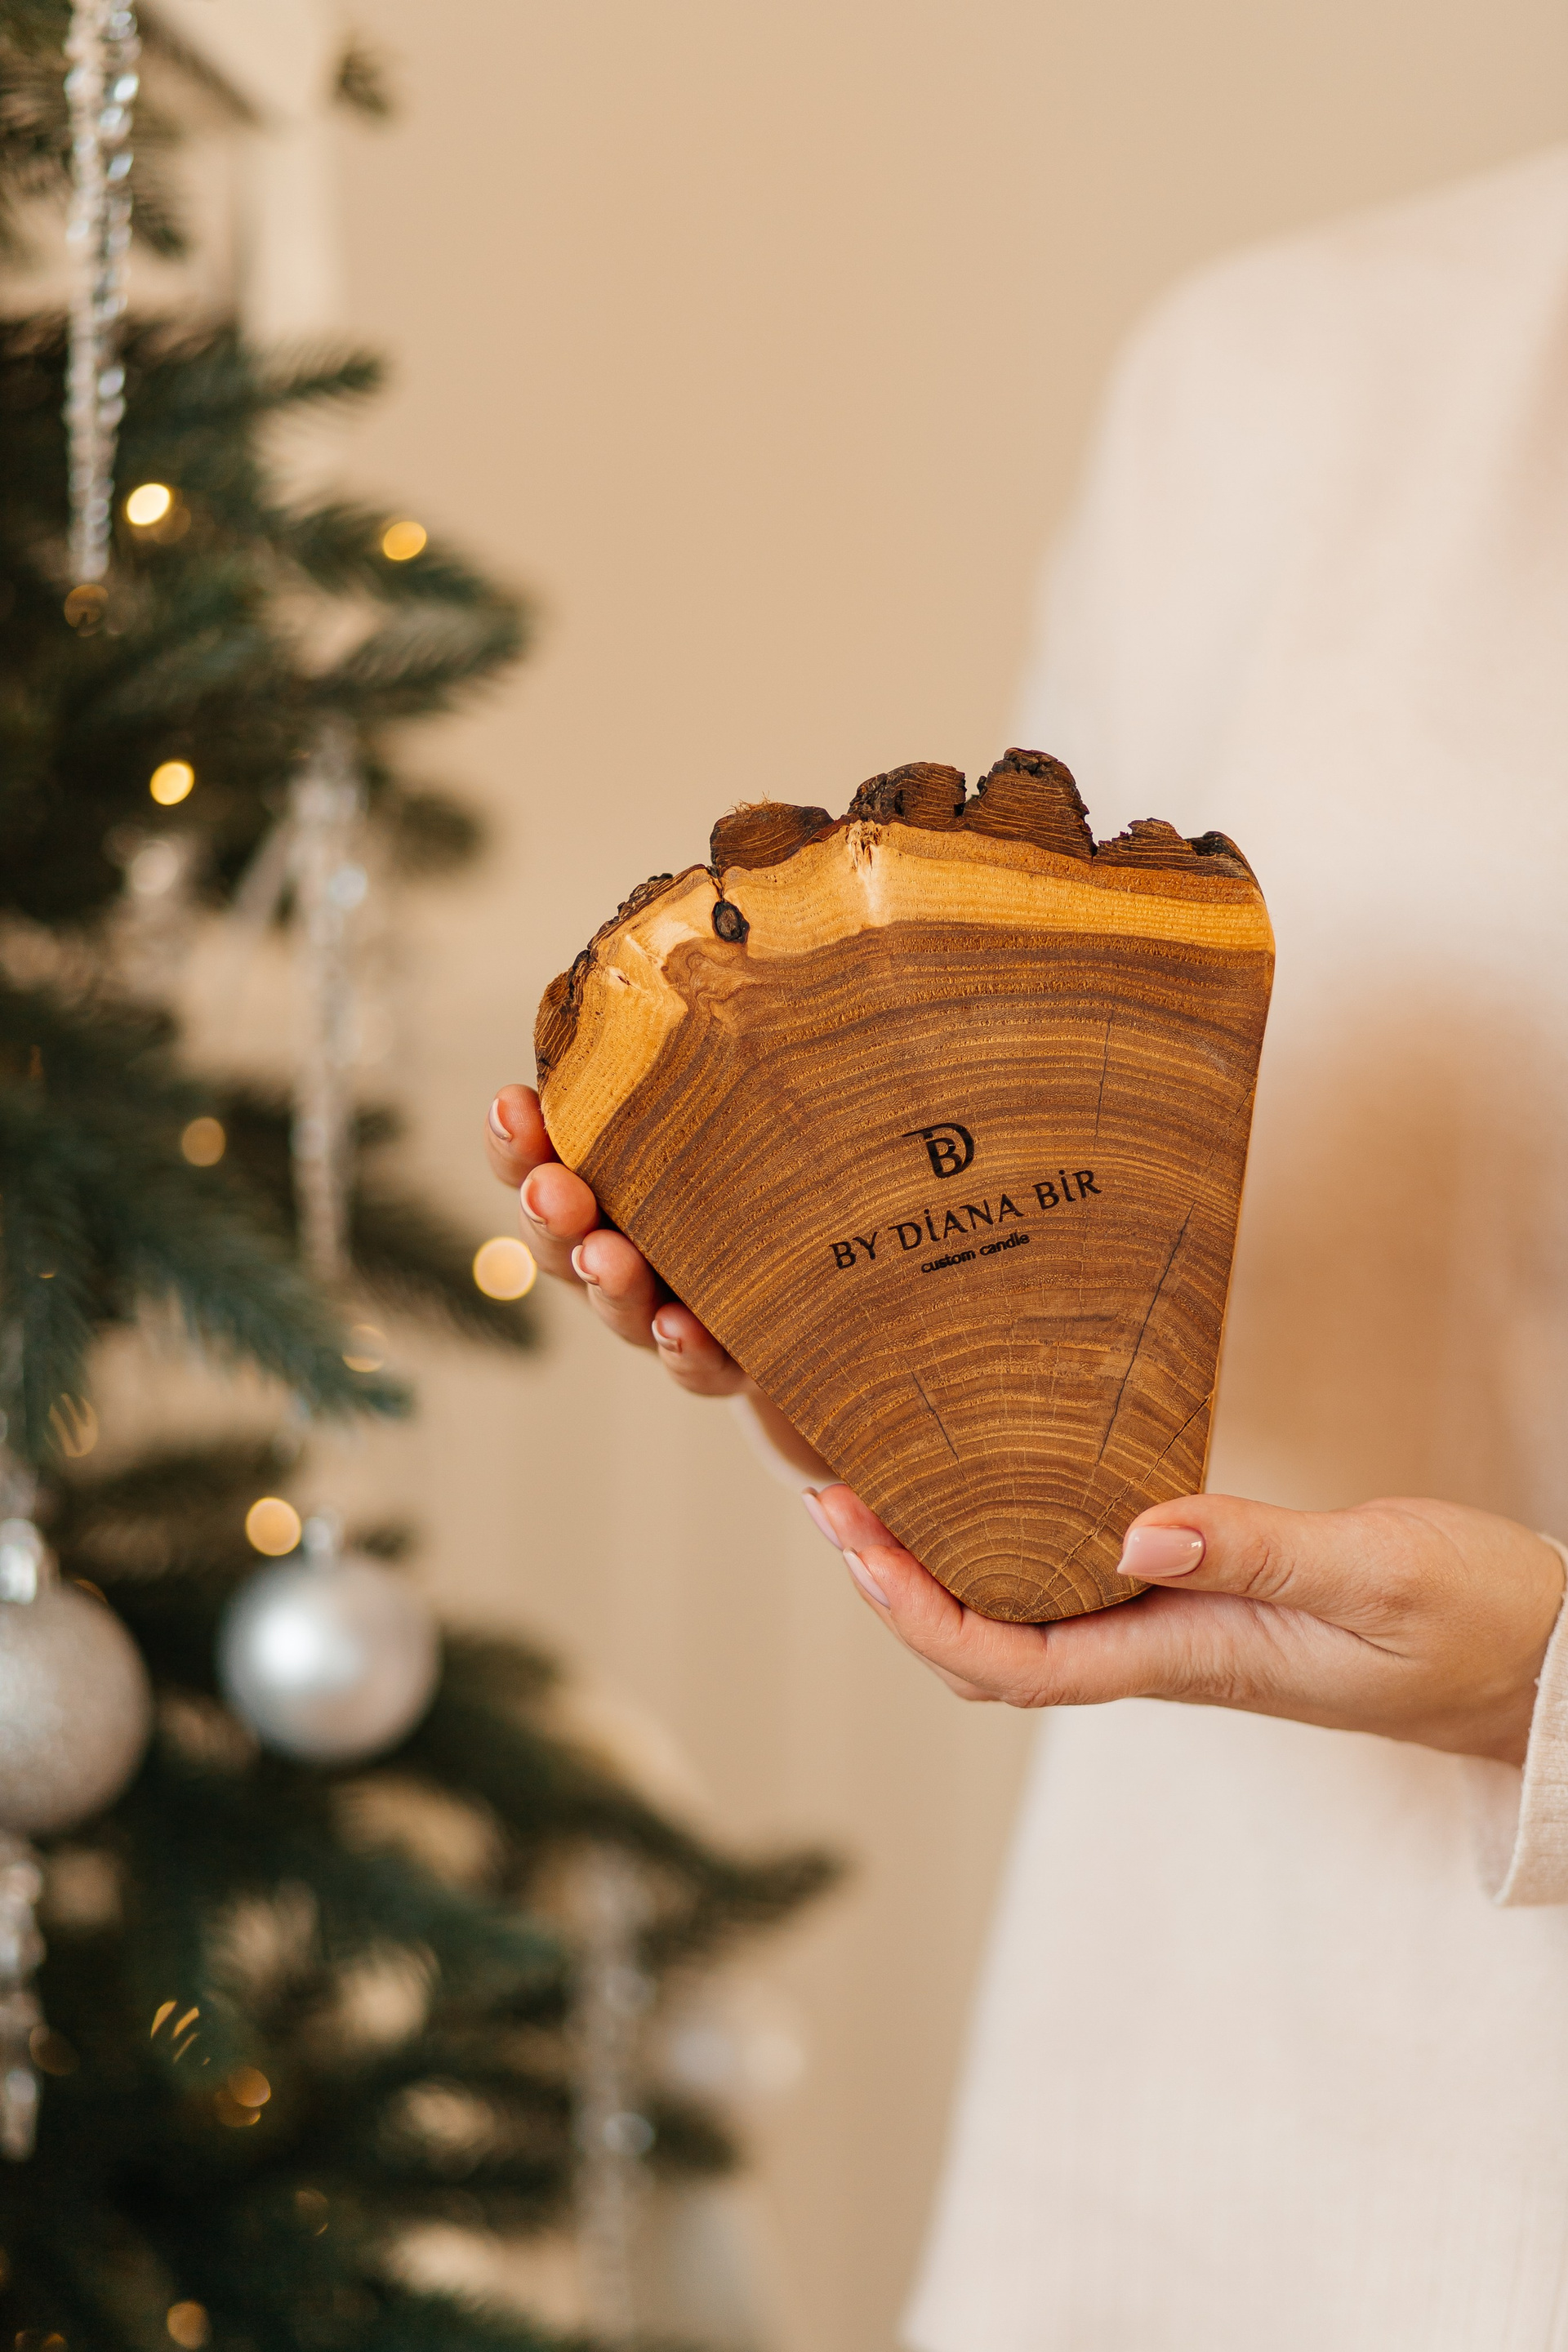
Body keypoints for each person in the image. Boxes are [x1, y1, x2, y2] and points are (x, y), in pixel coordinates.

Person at [485, 142, 1568, 2348]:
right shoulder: (1281, 376)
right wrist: (851, 1300)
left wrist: (1538, 1681)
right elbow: (1103, 1168)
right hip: (1211, 2074)